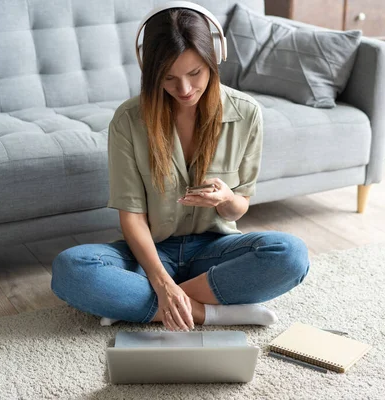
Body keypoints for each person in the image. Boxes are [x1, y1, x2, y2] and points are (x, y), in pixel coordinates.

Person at [50, 2, 309, 332]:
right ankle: (211, 313)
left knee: (291, 255)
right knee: (71, 268)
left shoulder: (247, 114)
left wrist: (227, 199)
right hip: (150, 254)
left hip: (215, 250)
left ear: (214, 59)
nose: (184, 89)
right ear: (151, 71)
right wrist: (161, 282)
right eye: (169, 78)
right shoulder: (129, 120)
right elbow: (131, 217)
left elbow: (238, 209)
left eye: (195, 73)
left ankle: (137, 307)